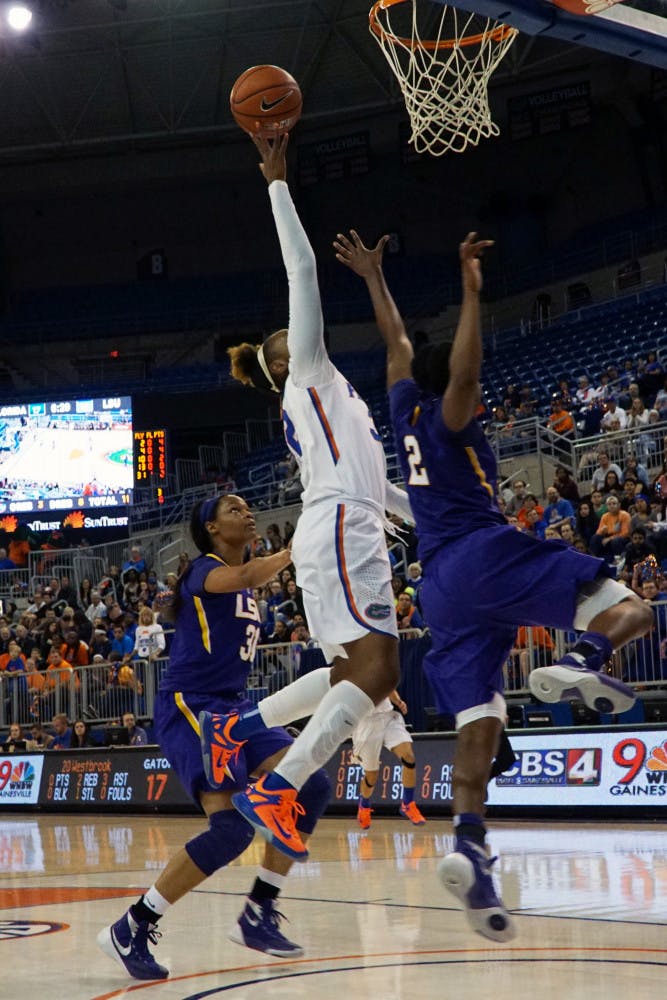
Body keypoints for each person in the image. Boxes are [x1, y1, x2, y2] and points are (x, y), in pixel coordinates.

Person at [333, 226, 652, 944]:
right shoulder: (448, 417)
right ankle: (581, 661)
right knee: (629, 607)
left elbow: (393, 345)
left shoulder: (403, 408)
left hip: (440, 585)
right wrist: (470, 292)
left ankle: (470, 845)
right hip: (483, 552)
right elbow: (466, 378)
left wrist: (373, 279)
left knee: (480, 720)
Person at [198, 133, 412, 863]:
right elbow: (302, 267)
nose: (302, 327)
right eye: (291, 334)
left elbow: (381, 487)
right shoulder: (308, 371)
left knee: (351, 674)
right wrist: (278, 182)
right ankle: (278, 785)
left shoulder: (329, 397)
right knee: (377, 671)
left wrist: (439, 521)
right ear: (283, 358)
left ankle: (237, 726)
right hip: (342, 530)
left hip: (339, 522)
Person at [97, 494, 332, 981]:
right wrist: (295, 549)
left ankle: (258, 910)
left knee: (310, 784)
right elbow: (245, 576)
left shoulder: (248, 580)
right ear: (210, 528)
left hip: (235, 705)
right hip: (192, 706)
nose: (248, 513)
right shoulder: (203, 570)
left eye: (249, 507)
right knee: (231, 831)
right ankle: (133, 925)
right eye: (233, 509)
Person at [353, 690, 426, 829]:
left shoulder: (380, 667)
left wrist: (398, 701)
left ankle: (408, 804)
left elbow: (389, 686)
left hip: (388, 717)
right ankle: (364, 806)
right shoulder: (347, 673)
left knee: (408, 758)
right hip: (366, 723)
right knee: (371, 775)